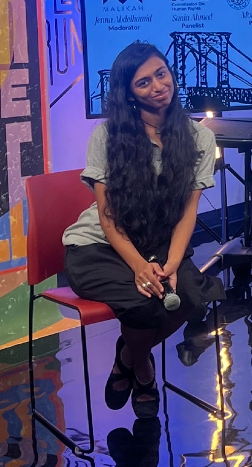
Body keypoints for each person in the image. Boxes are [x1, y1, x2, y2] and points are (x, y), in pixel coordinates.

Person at [62, 42, 224, 419]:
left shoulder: (200, 138)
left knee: (192, 297)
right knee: (144, 304)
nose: (158, 86)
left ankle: (128, 355)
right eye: (143, 82)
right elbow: (108, 218)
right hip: (99, 247)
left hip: (158, 243)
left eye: (161, 74)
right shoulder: (108, 136)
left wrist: (172, 263)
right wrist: (138, 266)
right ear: (129, 94)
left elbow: (188, 213)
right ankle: (144, 372)